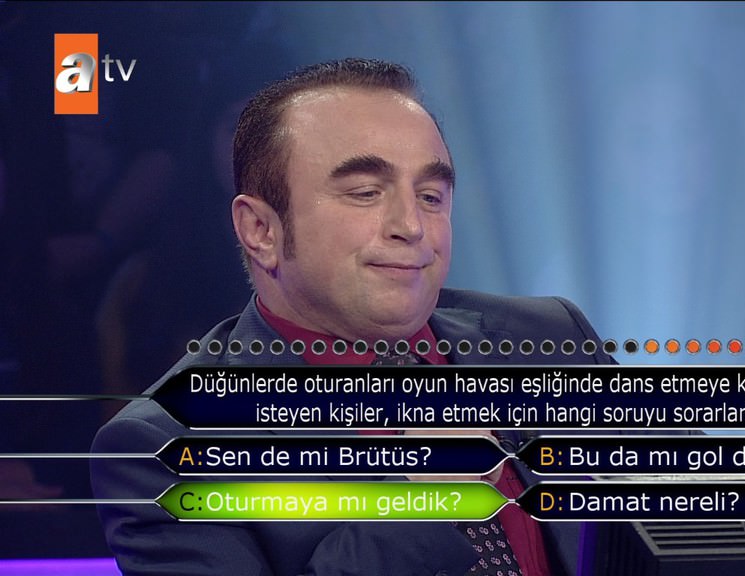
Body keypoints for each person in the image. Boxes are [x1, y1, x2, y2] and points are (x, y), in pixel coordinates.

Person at [91, 58, 619, 576]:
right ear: (261, 230)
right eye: (366, 193)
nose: (412, 225)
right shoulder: (165, 447)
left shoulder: (550, 337)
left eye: (431, 196)